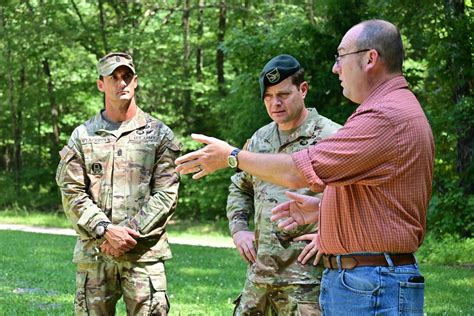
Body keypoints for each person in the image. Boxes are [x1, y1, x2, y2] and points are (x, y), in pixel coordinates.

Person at [175, 19, 434, 315]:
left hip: (370, 283)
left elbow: (298, 171)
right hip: (364, 279)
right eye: (269, 96)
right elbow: (376, 199)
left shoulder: (383, 117)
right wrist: (325, 212)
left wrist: (231, 156)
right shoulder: (390, 110)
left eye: (341, 56)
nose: (335, 68)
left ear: (370, 58)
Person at [56, 52, 181, 315]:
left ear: (135, 82)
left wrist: (127, 234)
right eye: (113, 77)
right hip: (96, 253)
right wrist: (104, 229)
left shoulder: (158, 134)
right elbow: (72, 191)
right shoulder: (83, 135)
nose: (121, 83)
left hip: (143, 254)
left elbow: (167, 194)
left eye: (126, 77)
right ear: (101, 84)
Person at [228, 54, 340, 315]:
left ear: (303, 90)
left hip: (308, 280)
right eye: (268, 97)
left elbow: (356, 197)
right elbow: (239, 186)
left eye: (283, 94)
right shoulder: (259, 140)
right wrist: (239, 229)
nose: (275, 103)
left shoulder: (332, 137)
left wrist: (331, 236)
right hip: (260, 277)